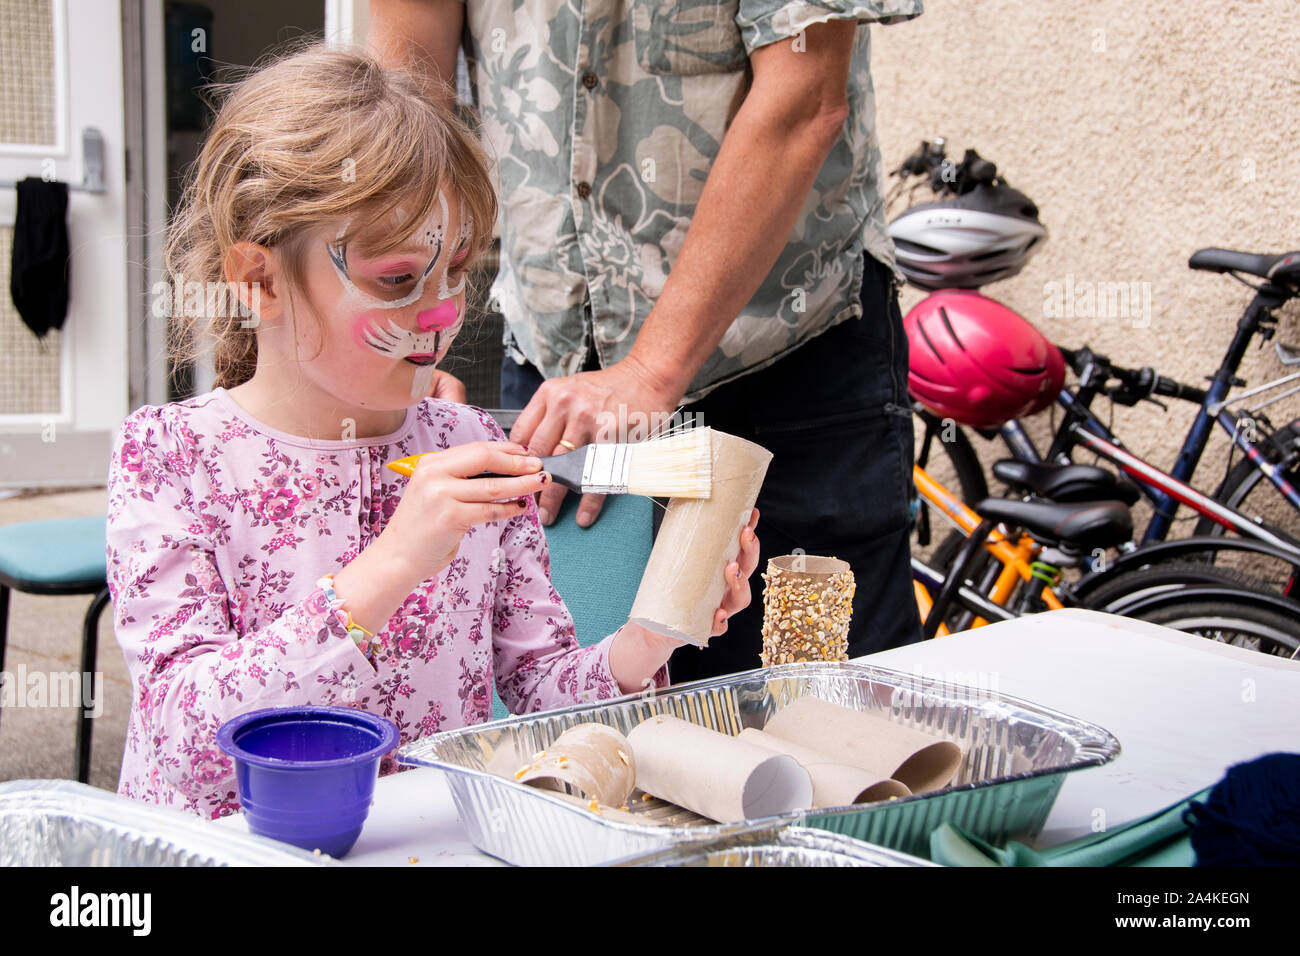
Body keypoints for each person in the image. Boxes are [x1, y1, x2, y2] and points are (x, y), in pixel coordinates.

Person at [105, 45, 759, 818]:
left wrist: (650, 635)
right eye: (396, 278)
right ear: (260, 281)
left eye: (454, 271)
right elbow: (184, 742)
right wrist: (392, 565)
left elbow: (538, 693)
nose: (444, 311)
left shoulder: (469, 439)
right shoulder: (171, 457)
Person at [369, 0, 926, 680]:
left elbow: (805, 97)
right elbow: (405, 104)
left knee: (820, 715)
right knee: (570, 731)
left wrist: (650, 374)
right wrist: (409, 345)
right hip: (557, 384)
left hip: (786, 368)